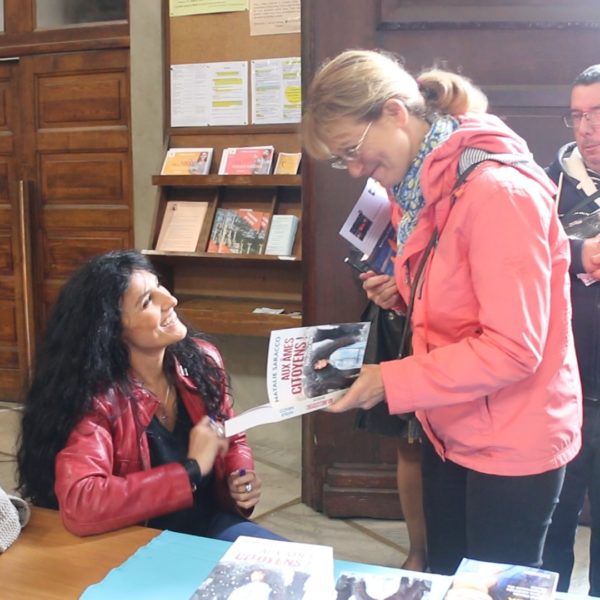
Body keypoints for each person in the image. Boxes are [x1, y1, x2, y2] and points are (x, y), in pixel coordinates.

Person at [302, 49, 582, 574]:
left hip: (511, 439)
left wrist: (389, 380)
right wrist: (406, 293)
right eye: (342, 160)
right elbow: (464, 295)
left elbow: (513, 349)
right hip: (450, 422)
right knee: (446, 575)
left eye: (352, 150)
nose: (355, 170)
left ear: (394, 112)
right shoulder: (419, 187)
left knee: (491, 584)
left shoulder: (498, 192)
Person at [16, 250, 283, 542]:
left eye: (160, 287)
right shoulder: (98, 400)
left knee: (304, 565)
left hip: (209, 525)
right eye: (147, 301)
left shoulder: (202, 361)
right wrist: (191, 470)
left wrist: (239, 476)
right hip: (135, 540)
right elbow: (83, 502)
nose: (170, 301)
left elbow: (232, 438)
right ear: (113, 329)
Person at [542, 64, 600, 596]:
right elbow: (518, 258)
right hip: (563, 385)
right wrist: (580, 252)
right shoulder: (545, 181)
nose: (587, 128)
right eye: (578, 115)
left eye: (598, 113)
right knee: (553, 524)